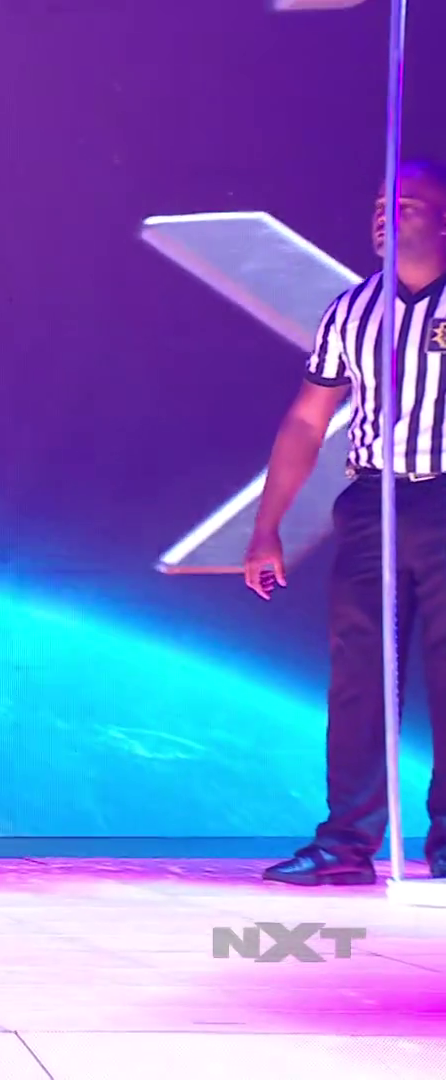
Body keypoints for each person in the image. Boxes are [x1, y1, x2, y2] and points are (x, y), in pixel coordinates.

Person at [245, 158, 446, 886]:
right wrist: (268, 526)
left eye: (407, 204)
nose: (386, 215)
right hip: (374, 502)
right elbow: (307, 420)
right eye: (379, 205)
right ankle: (346, 845)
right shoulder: (352, 310)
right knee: (360, 675)